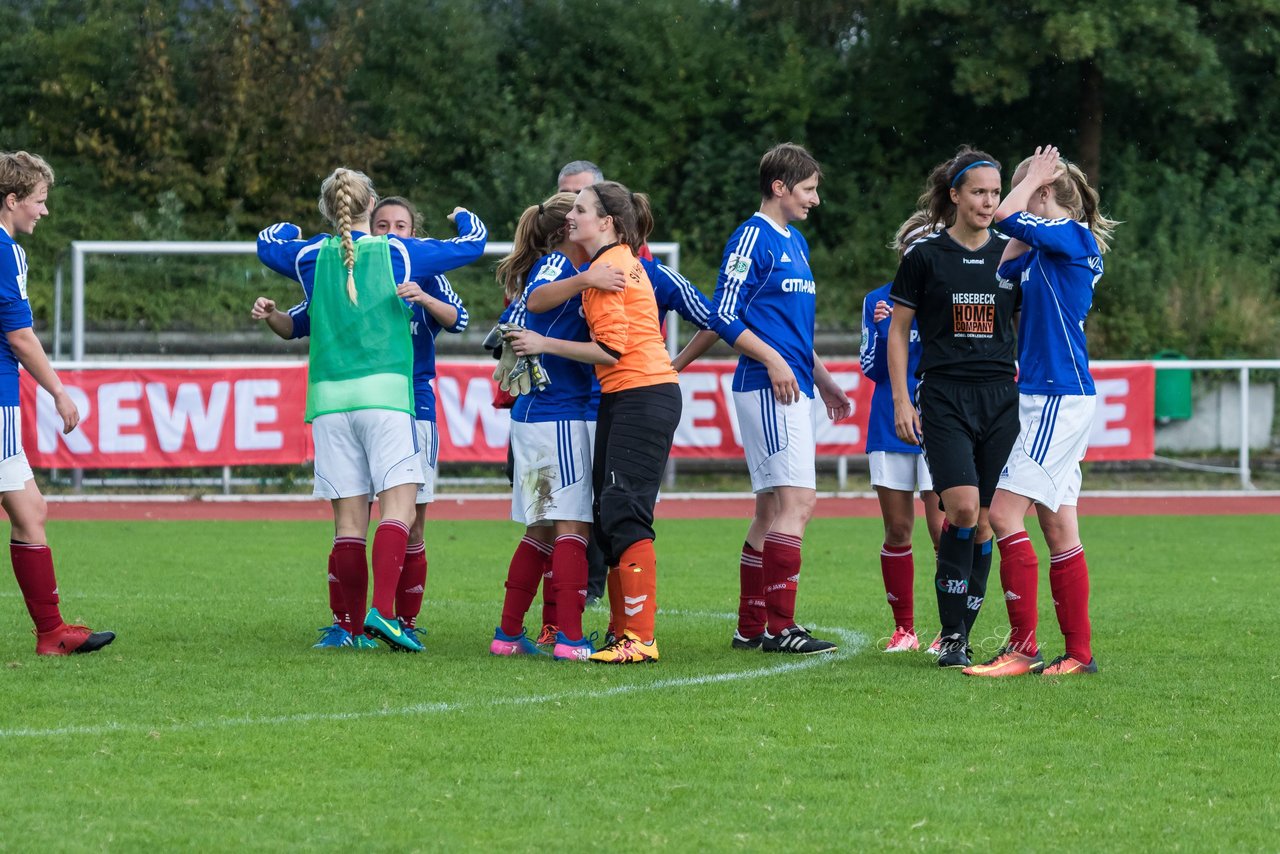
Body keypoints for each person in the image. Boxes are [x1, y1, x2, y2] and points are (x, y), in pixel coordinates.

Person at [257, 168, 486, 652]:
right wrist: (466, 217)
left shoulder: (309, 257)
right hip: (385, 397)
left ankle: (350, 628)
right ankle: (385, 613)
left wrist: (288, 232)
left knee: (347, 523)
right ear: (372, 205)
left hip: (329, 401)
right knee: (400, 509)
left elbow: (266, 242)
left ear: (327, 208)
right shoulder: (397, 252)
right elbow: (472, 244)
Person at [506, 180, 680, 664]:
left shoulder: (608, 267)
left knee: (612, 515)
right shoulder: (607, 265)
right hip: (623, 397)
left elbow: (610, 349)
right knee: (604, 517)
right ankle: (622, 631)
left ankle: (635, 638)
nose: (573, 216)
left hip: (636, 395)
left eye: (582, 209)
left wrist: (543, 345)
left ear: (606, 221)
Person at [964, 145, 1117, 678]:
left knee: (1003, 514)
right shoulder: (1044, 250)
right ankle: (1079, 654)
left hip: (1057, 394)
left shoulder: (1071, 237)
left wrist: (1030, 184)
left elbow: (1005, 214)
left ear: (1045, 193)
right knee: (1058, 526)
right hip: (1045, 394)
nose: (1008, 191)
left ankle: (1023, 650)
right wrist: (1029, 192)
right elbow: (1001, 267)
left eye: (1025, 182)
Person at [704, 142, 852, 655]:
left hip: (793, 386)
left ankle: (752, 625)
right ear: (780, 187)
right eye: (809, 190)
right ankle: (781, 627)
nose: (815, 200)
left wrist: (825, 380)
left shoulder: (796, 242)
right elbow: (722, 314)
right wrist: (772, 360)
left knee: (770, 509)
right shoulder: (752, 237)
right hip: (768, 389)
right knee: (799, 502)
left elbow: (790, 330)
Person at [887, 147, 1019, 669]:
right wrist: (902, 398)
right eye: (979, 192)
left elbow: (1028, 329)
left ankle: (961, 633)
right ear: (955, 196)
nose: (988, 202)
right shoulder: (925, 256)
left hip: (1001, 398)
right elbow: (898, 332)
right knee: (960, 509)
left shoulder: (1014, 254)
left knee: (986, 523)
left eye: (995, 192)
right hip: (943, 394)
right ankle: (951, 633)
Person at [0, 151, 114, 656]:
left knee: (31, 510)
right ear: (12, 201)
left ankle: (52, 635)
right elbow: (20, 336)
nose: (43, 211)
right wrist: (60, 391)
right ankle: (51, 633)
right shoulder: (6, 251)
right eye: (39, 201)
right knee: (28, 510)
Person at [490, 193, 600, 660]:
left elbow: (509, 324)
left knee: (540, 527)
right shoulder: (559, 266)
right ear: (565, 229)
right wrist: (586, 280)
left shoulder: (551, 267)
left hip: (535, 417)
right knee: (572, 523)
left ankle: (508, 635)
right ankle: (571, 641)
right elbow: (530, 307)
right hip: (557, 414)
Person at [859, 213, 945, 653]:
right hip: (888, 424)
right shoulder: (878, 299)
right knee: (897, 528)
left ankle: (949, 629)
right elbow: (872, 368)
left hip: (938, 422)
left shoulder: (945, 296)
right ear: (904, 253)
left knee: (942, 529)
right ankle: (904, 629)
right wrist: (882, 327)